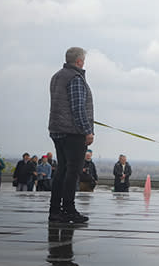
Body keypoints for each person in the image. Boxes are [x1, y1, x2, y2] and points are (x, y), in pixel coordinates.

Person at [48, 46, 95, 224]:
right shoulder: (75, 78)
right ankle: (68, 209)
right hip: (72, 132)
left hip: (57, 129)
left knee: (62, 171)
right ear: (79, 61)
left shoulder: (57, 76)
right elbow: (77, 108)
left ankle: (55, 210)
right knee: (72, 172)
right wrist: (87, 131)